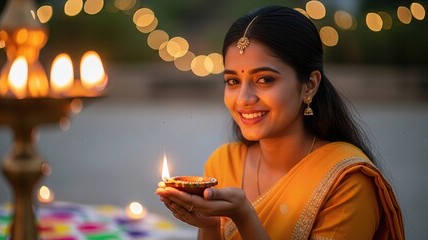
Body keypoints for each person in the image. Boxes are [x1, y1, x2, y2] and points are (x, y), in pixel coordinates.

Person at [156, 5, 404, 240]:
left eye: (265, 79)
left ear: (310, 85)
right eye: (233, 81)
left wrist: (244, 216)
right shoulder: (223, 164)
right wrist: (210, 225)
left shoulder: (347, 182)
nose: (243, 99)